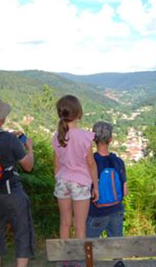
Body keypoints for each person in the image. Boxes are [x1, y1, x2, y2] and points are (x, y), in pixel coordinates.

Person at [0, 98, 35, 267]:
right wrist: (30, 148)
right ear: (3, 117)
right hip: (11, 192)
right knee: (23, 233)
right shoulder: (10, 140)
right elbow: (28, 166)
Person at [52, 95, 99, 239]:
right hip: (80, 182)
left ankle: (64, 258)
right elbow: (91, 164)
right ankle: (78, 260)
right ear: (79, 113)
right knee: (80, 226)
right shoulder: (84, 137)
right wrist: (95, 187)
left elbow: (56, 165)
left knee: (65, 223)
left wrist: (59, 181)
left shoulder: (57, 136)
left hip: (62, 181)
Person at [86, 121, 128, 238]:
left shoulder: (90, 162)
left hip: (96, 212)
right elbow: (125, 192)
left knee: (89, 247)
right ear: (110, 139)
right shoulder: (118, 162)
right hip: (116, 210)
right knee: (117, 247)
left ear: (94, 140)